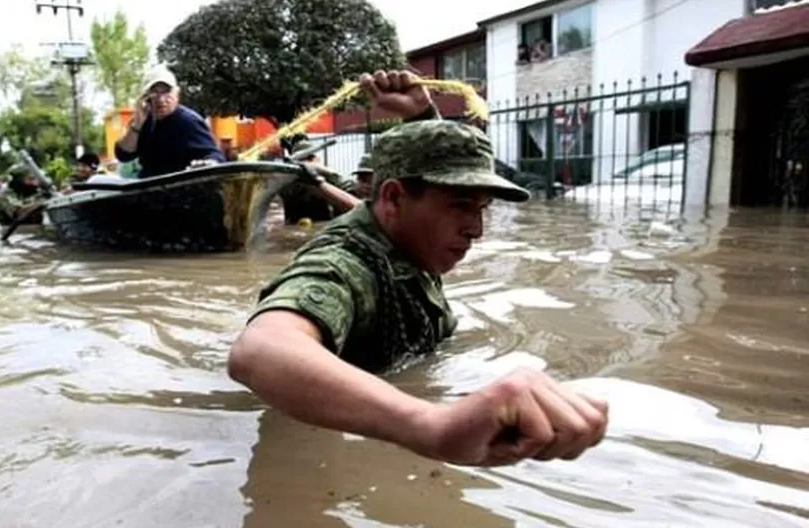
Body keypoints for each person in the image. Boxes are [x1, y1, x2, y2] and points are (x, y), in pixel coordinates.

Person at [228, 69, 609, 468]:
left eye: (481, 209)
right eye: (461, 206)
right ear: (392, 198)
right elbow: (259, 351)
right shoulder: (344, 264)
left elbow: (421, 193)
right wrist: (431, 424)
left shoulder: (406, 235)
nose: (476, 230)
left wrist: (424, 114)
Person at [114, 64, 225, 178]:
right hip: (149, 190)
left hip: (180, 190)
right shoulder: (143, 121)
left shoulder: (188, 122)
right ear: (145, 97)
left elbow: (214, 155)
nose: (161, 99)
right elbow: (123, 155)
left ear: (177, 94)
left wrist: (208, 163)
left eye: (166, 92)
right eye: (155, 93)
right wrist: (137, 124)